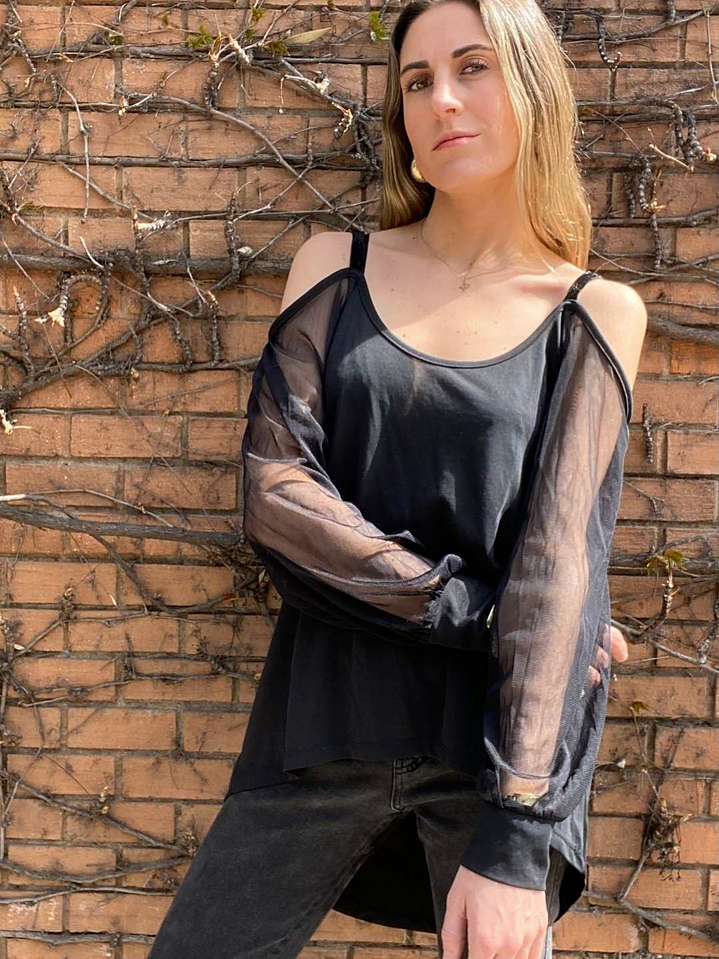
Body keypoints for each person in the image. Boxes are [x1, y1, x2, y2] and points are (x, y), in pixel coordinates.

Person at [147, 1, 647, 958]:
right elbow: (278, 497)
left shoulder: (592, 312)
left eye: (472, 67)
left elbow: (556, 564)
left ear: (533, 89)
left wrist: (517, 841)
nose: (440, 99)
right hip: (321, 726)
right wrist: (481, 612)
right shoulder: (335, 268)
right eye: (417, 81)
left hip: (489, 760)